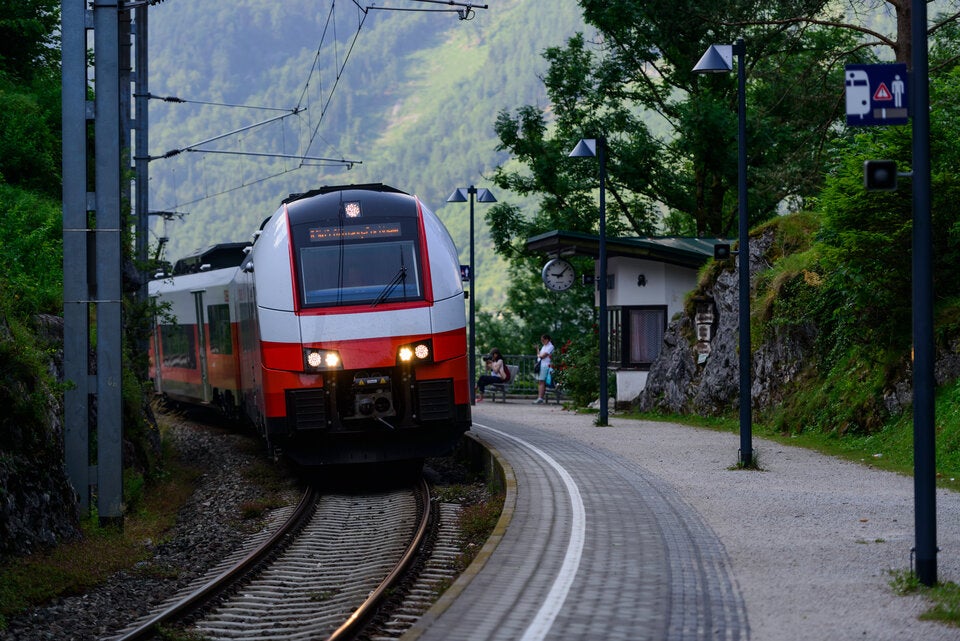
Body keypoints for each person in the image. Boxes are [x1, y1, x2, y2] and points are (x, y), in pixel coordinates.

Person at [533, 334, 554, 404]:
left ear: (547, 339)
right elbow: (539, 356)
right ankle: (540, 397)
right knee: (540, 382)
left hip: (545, 365)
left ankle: (540, 398)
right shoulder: (544, 346)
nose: (542, 341)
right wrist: (537, 349)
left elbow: (542, 356)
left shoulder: (550, 346)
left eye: (543, 340)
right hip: (542, 365)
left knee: (541, 381)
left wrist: (539, 355)